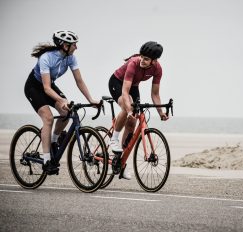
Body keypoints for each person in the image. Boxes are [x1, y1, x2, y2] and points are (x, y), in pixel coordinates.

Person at [24, 30, 99, 173]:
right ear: (65, 45)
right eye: (74, 45)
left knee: (66, 111)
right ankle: (46, 160)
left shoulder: (71, 58)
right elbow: (46, 88)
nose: (76, 47)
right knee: (48, 118)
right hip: (34, 87)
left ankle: (53, 140)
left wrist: (90, 100)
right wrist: (61, 99)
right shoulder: (46, 58)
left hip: (49, 86)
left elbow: (79, 81)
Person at [108, 41, 169, 179]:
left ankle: (120, 162)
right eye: (142, 56)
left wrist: (161, 113)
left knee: (132, 122)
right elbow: (125, 91)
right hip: (117, 82)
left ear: (154, 61)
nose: (142, 60)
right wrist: (128, 109)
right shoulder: (134, 63)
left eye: (146, 59)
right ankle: (114, 139)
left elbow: (155, 94)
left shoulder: (158, 69)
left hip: (133, 86)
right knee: (127, 104)